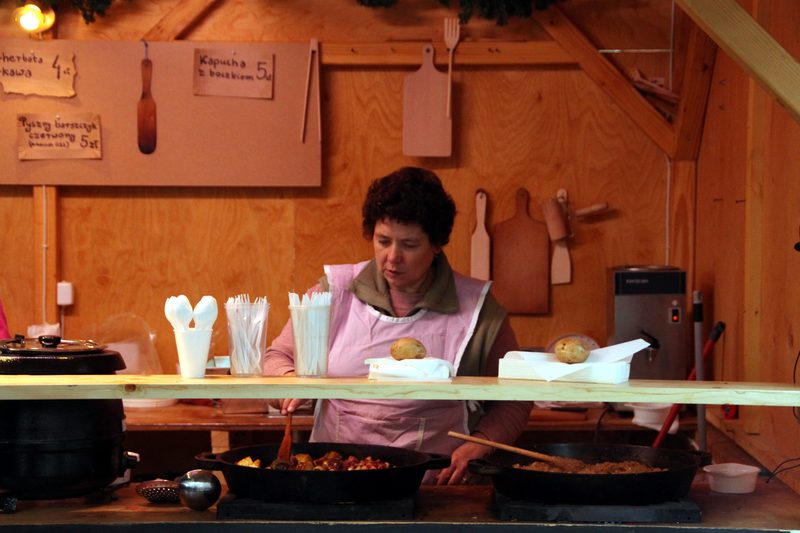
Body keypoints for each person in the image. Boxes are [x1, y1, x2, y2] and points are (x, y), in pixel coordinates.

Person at [263, 167, 532, 484]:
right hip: (334, 478)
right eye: (383, 241)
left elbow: (516, 397)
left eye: (409, 244)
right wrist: (289, 383)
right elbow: (276, 357)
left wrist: (480, 444)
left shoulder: (478, 310)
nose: (392, 257)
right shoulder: (331, 293)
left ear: (436, 244)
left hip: (435, 485)